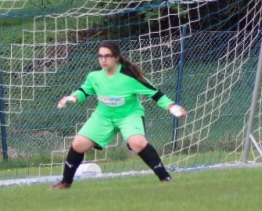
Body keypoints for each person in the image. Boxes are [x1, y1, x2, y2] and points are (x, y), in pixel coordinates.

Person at [53, 40, 186, 189]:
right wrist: (72, 97)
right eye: (100, 56)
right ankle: (65, 182)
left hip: (129, 115)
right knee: (78, 144)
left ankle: (165, 178)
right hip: (103, 116)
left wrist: (171, 106)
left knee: (137, 143)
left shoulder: (131, 76)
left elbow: (156, 94)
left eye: (107, 56)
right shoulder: (94, 75)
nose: (103, 60)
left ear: (116, 57)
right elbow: (84, 90)